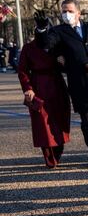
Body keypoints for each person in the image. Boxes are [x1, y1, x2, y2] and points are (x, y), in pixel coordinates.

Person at [33, 0, 88, 168]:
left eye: (70, 10)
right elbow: (45, 44)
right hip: (79, 81)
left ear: (79, 13)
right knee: (87, 121)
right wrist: (41, 29)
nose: (66, 14)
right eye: (64, 11)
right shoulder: (58, 31)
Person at [17, 36, 71, 168]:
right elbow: (22, 70)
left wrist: (64, 62)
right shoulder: (28, 48)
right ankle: (49, 156)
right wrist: (28, 88)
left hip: (57, 85)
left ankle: (58, 150)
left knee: (60, 119)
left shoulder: (58, 46)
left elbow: (70, 65)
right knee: (42, 123)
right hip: (38, 86)